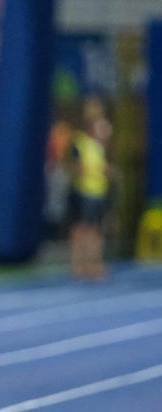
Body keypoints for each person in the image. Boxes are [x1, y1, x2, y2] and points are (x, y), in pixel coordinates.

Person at [67, 96, 112, 280]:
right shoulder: (80, 142)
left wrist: (107, 171)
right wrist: (97, 170)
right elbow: (76, 168)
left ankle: (93, 263)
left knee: (96, 230)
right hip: (84, 192)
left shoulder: (98, 146)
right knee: (81, 230)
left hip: (98, 191)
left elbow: (102, 165)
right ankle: (79, 265)